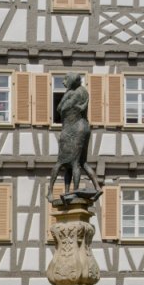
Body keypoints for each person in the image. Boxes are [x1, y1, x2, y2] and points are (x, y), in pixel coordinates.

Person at [46, 72, 101, 203]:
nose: (63, 83)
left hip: (72, 129)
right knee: (80, 162)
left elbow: (60, 109)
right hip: (84, 127)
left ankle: (52, 191)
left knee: (62, 162)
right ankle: (96, 187)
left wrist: (65, 96)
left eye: (65, 80)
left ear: (71, 80)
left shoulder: (74, 94)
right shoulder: (84, 92)